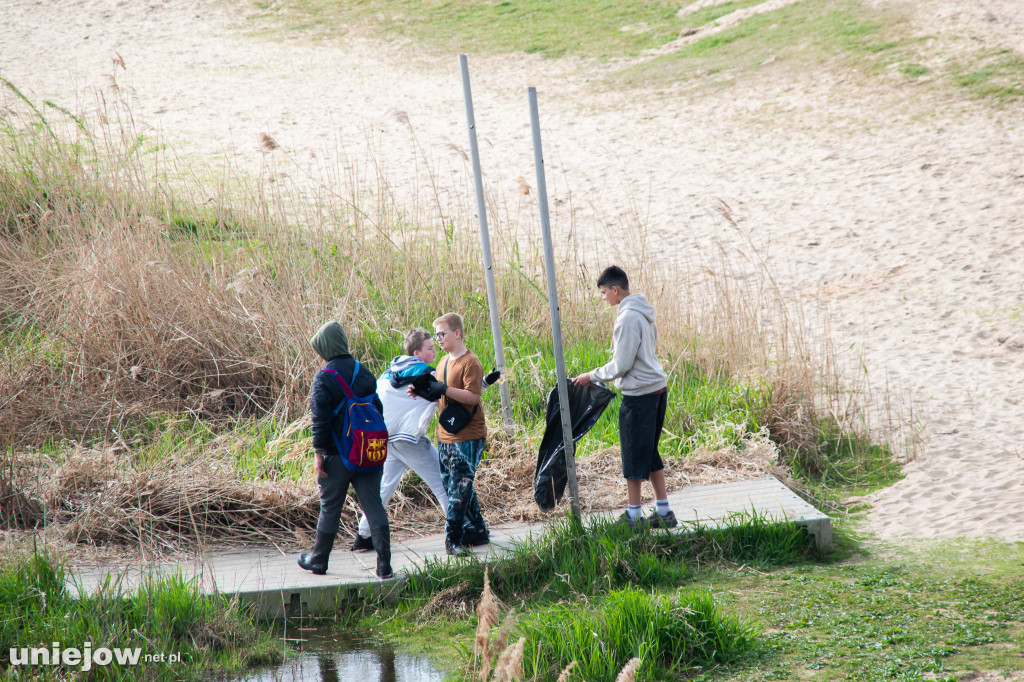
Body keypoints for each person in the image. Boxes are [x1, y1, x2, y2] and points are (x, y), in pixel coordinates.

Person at [572, 266, 676, 530]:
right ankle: (664, 511)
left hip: (640, 395)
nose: (603, 297)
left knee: (632, 452)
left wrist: (591, 376)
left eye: (604, 292)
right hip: (656, 389)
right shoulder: (643, 311)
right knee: (649, 450)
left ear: (615, 289)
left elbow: (621, 364)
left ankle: (633, 516)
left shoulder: (627, 318)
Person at [298, 321, 393, 579]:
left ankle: (319, 560)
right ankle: (384, 566)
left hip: (337, 455)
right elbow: (377, 410)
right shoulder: (365, 373)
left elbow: (320, 420)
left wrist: (319, 453)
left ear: (326, 347)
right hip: (366, 453)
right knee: (374, 506)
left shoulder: (324, 377)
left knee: (330, 507)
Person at [350, 328, 450, 551]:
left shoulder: (389, 372)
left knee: (385, 487)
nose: (434, 351)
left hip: (386, 437)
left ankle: (364, 536)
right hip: (408, 439)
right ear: (417, 353)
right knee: (442, 480)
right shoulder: (424, 373)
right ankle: (458, 529)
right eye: (430, 348)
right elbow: (446, 393)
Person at [429, 312, 490, 555]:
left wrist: (444, 388)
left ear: (457, 333)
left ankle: (452, 540)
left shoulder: (470, 362)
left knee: (458, 489)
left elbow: (473, 396)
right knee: (455, 485)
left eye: (441, 334)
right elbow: (439, 393)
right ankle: (477, 530)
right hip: (446, 433)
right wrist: (423, 391)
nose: (438, 339)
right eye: (436, 335)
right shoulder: (443, 362)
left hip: (468, 435)